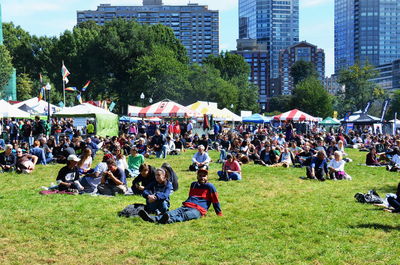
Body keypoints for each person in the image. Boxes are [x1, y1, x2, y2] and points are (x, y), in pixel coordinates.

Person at [138, 168, 222, 224]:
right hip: (187, 205)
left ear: (207, 177)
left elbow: (215, 201)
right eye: (200, 175)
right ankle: (151, 219)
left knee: (183, 216)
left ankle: (167, 221)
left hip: (198, 210)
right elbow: (191, 197)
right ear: (197, 176)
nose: (202, 177)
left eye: (204, 176)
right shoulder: (193, 185)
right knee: (171, 213)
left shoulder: (210, 186)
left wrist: (219, 213)